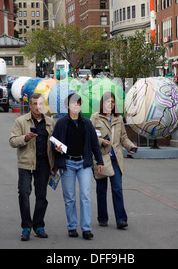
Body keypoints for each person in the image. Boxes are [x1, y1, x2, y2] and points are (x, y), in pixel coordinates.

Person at [52, 93, 104, 240]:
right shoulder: (61, 123)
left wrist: (99, 161)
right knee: (69, 197)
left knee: (85, 196)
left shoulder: (87, 123)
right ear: (68, 105)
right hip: (67, 163)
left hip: (84, 163)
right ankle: (72, 226)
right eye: (73, 103)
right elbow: (54, 142)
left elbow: (94, 143)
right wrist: (56, 148)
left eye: (78, 103)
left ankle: (86, 228)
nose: (76, 105)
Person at [9, 93, 56, 241]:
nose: (38, 107)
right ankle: (26, 227)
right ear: (30, 106)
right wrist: (25, 137)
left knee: (41, 196)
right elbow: (12, 141)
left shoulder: (50, 122)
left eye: (40, 104)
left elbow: (55, 142)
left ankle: (38, 225)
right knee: (24, 193)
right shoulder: (21, 121)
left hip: (44, 164)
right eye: (35, 104)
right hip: (26, 163)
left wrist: (57, 154)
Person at [90, 92, 137, 229]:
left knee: (117, 189)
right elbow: (91, 137)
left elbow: (123, 137)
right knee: (101, 190)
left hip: (115, 159)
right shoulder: (95, 117)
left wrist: (130, 146)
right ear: (102, 103)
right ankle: (103, 218)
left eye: (112, 102)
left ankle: (121, 219)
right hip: (101, 159)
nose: (109, 104)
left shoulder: (118, 118)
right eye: (107, 102)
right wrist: (101, 141)